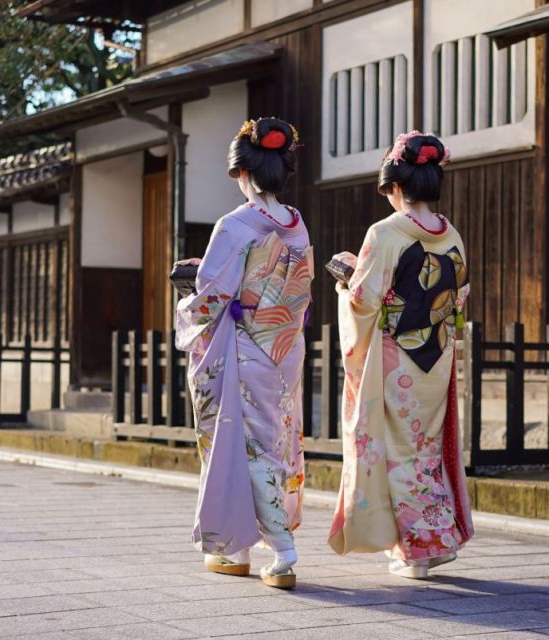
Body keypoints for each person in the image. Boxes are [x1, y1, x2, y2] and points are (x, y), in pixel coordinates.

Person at [328, 131, 473, 579]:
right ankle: (433, 536)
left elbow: (365, 302)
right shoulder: (452, 236)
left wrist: (344, 282)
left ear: (395, 187)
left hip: (397, 357)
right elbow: (458, 298)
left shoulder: (386, 232)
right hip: (437, 353)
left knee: (399, 450)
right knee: (424, 448)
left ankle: (421, 549)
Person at [175, 117, 313, 589]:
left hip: (243, 349)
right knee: (274, 439)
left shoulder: (234, 224)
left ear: (242, 174)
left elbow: (212, 299)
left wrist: (187, 299)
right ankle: (234, 547)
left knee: (245, 446)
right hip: (283, 345)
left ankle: (282, 550)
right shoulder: (296, 224)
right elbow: (285, 288)